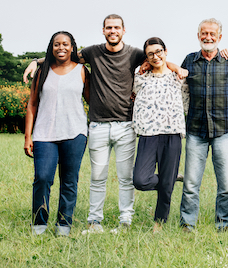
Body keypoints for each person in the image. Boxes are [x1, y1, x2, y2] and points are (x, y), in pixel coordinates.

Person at [23, 14, 185, 234]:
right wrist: (36, 61)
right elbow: (64, 55)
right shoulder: (93, 52)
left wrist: (176, 68)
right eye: (109, 27)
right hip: (98, 125)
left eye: (117, 27)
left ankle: (125, 222)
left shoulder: (135, 54)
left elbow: (159, 60)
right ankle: (94, 222)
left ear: (123, 30)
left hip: (126, 125)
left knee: (126, 178)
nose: (113, 31)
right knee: (97, 177)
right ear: (103, 30)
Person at [179, 18, 228, 232]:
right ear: (198, 36)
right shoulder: (189, 60)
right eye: (204, 33)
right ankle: (188, 224)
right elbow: (175, 80)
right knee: (191, 183)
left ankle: (224, 223)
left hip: (223, 130)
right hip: (195, 129)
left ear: (219, 37)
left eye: (212, 34)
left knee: (225, 184)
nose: (208, 37)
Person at [24, 31, 90, 236]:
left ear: (72, 47)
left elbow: (92, 100)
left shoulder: (82, 71)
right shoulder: (43, 71)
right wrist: (28, 136)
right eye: (56, 44)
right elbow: (32, 104)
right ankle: (39, 223)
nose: (61, 48)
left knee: (69, 180)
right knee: (42, 177)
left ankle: (64, 224)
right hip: (44, 133)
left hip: (75, 132)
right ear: (51, 48)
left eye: (65, 44)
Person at [132, 37, 188, 233]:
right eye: (150, 54)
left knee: (165, 185)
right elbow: (133, 95)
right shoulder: (140, 76)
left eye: (159, 52)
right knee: (140, 179)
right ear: (146, 58)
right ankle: (170, 178)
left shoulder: (178, 77)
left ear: (165, 51)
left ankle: (159, 223)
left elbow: (186, 101)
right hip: (148, 134)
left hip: (172, 133)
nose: (156, 56)